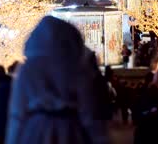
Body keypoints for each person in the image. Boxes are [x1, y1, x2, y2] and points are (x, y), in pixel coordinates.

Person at [6, 16, 108, 144]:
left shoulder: (27, 69)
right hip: (71, 129)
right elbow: (89, 112)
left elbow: (17, 113)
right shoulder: (77, 68)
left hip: (35, 131)